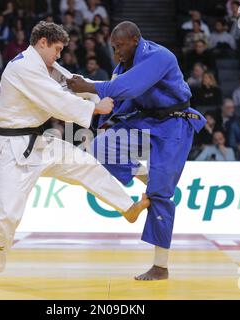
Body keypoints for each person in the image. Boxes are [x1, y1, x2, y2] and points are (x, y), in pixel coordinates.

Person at [0, 21, 150, 287]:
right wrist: (94, 109)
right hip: (13, 150)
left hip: (40, 142)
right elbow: (57, 100)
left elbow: (76, 84)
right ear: (42, 42)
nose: (59, 55)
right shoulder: (22, 68)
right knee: (8, 214)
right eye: (56, 49)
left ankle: (128, 208)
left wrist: (112, 88)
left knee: (85, 164)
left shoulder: (47, 66)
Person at [67, 21, 206, 280]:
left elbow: (128, 88)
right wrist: (96, 112)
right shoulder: (122, 66)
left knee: (160, 195)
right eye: (113, 48)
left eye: (119, 46)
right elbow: (114, 99)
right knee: (100, 147)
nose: (116, 52)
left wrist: (87, 85)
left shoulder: (160, 56)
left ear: (134, 40)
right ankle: (143, 175)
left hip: (175, 123)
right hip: (146, 120)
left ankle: (160, 266)